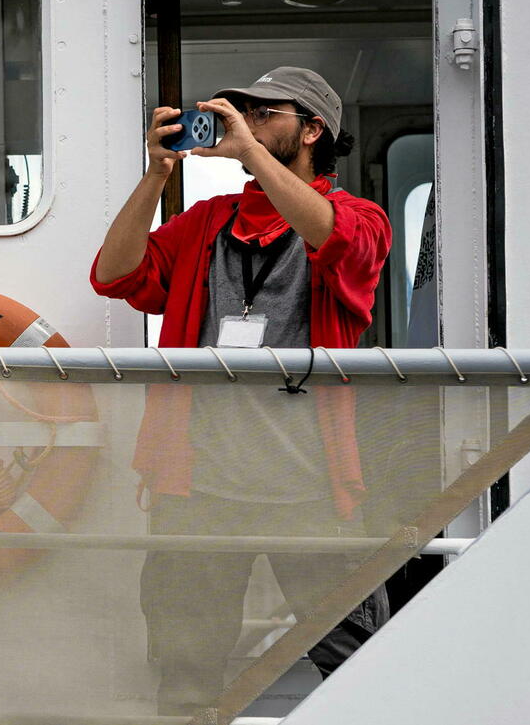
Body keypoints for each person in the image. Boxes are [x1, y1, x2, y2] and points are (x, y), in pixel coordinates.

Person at [88, 67, 392, 715]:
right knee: (186, 671)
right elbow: (113, 275)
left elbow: (336, 238)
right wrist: (155, 175)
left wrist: (249, 152)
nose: (245, 121)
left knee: (357, 659)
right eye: (242, 111)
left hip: (312, 488)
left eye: (263, 112)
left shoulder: (361, 217)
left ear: (311, 130)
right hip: (199, 488)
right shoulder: (206, 221)